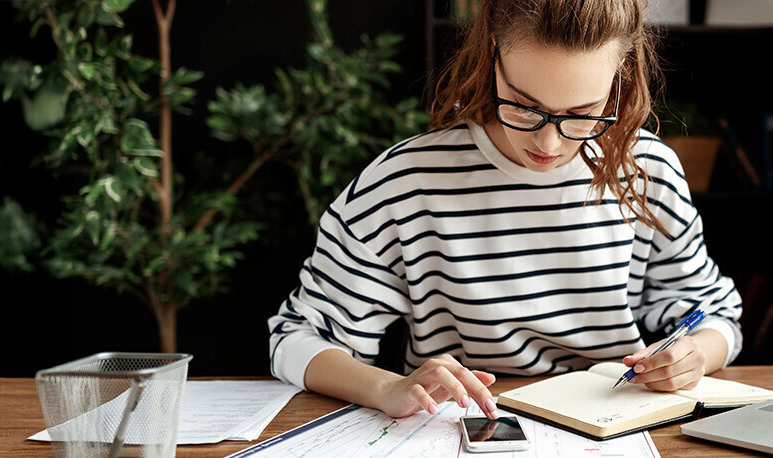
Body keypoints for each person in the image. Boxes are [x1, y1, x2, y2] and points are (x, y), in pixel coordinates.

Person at [265, 0, 744, 419]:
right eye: (524, 105)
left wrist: (694, 355)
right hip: (459, 426)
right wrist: (388, 387)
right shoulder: (406, 181)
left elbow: (716, 314)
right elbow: (295, 338)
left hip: (615, 426)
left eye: (583, 113)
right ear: (492, 53)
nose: (549, 142)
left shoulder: (648, 169)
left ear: (621, 75)